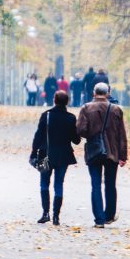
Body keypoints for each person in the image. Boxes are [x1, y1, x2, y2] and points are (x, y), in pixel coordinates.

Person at [76, 82, 128, 227]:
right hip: (112, 152)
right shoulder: (116, 109)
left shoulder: (86, 108)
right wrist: (123, 156)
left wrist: (92, 135)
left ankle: (99, 220)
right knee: (111, 184)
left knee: (95, 185)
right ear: (108, 93)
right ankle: (109, 216)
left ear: (94, 93)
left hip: (94, 151)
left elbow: (80, 130)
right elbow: (121, 135)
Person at [30, 90, 80, 225]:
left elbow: (38, 136)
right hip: (63, 156)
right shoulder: (70, 118)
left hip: (46, 154)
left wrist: (33, 153)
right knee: (59, 184)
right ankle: (56, 216)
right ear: (67, 102)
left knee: (44, 184)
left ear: (54, 100)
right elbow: (76, 140)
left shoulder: (46, 116)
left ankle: (45, 213)